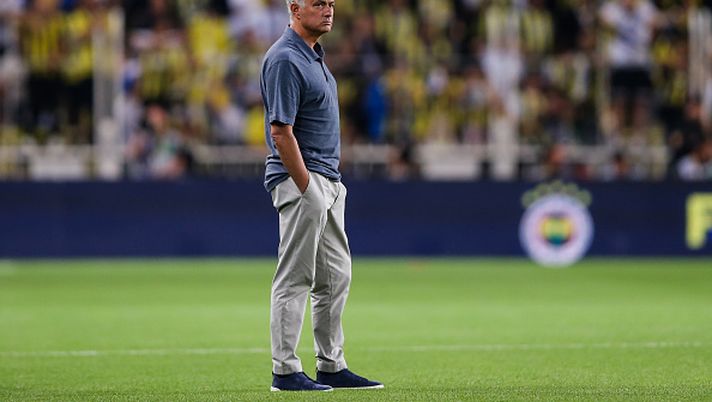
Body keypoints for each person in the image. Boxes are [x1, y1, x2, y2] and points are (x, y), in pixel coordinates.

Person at [260, 0, 383, 392]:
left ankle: (331, 364)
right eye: (318, 3)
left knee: (335, 277)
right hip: (304, 181)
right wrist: (306, 187)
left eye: (331, 3)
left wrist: (325, 185)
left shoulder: (313, 57)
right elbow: (281, 131)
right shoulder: (284, 58)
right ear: (294, 8)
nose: (328, 10)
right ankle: (285, 370)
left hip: (327, 181)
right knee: (296, 276)